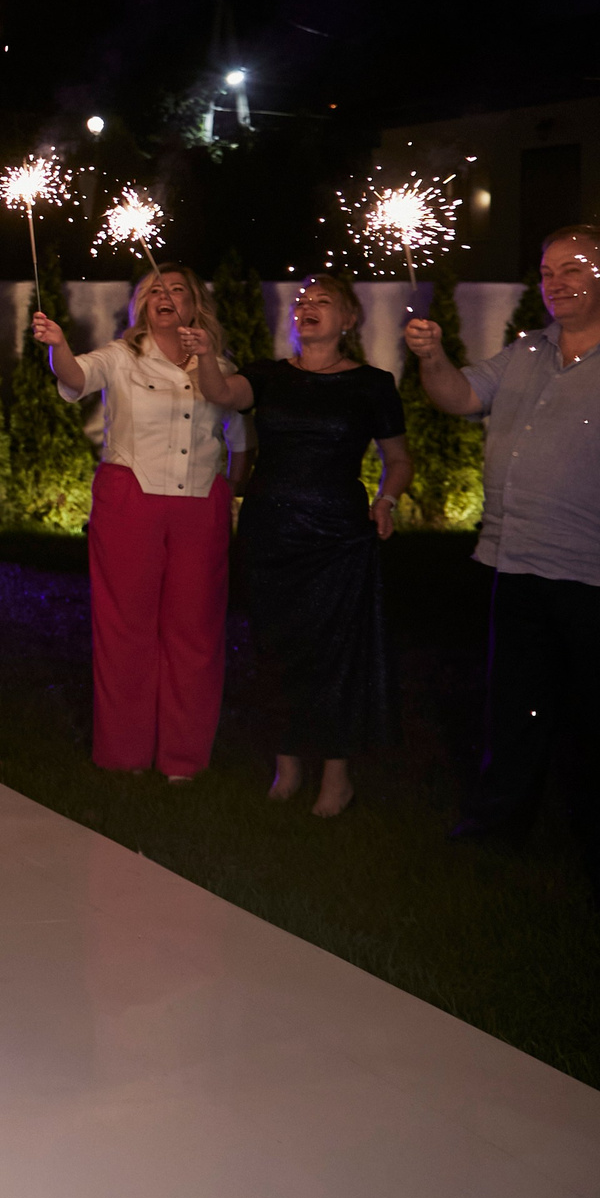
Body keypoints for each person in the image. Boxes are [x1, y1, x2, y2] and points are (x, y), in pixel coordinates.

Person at [404, 225, 600, 903]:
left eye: (571, 269)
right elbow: (460, 397)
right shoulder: (527, 351)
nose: (553, 282)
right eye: (546, 270)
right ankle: (499, 825)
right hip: (518, 562)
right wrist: (433, 355)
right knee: (515, 711)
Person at [31, 265, 246, 782]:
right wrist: (57, 344)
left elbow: (239, 438)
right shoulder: (121, 357)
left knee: (194, 633)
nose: (164, 297)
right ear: (142, 305)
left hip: (201, 504)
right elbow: (75, 377)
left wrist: (234, 497)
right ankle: (124, 754)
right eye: (155, 290)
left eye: (176, 290)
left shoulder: (221, 365)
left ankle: (183, 759)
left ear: (196, 305)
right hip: (132, 500)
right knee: (125, 629)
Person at [231, 275, 411, 817]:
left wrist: (388, 500)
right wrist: (201, 359)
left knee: (338, 655)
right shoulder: (265, 375)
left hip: (336, 534)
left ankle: (338, 776)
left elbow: (398, 459)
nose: (307, 308)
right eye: (302, 302)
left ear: (349, 319)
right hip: (271, 530)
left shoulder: (373, 384)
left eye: (322, 303)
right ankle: (287, 768)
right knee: (275, 646)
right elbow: (221, 393)